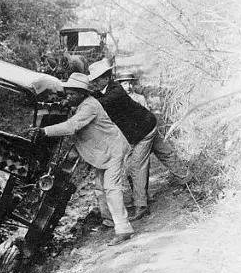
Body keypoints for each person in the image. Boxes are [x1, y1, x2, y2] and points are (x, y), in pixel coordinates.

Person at [30, 72, 134, 245]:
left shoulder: (90, 106)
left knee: (111, 188)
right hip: (103, 151)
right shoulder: (82, 104)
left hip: (113, 149)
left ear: (82, 93)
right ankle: (109, 220)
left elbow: (72, 126)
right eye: (68, 93)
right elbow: (72, 112)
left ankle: (124, 229)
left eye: (72, 94)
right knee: (101, 188)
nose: (68, 97)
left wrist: (44, 131)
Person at [87, 58, 190, 221]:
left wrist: (83, 102)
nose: (95, 83)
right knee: (165, 153)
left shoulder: (115, 91)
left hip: (143, 131)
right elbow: (96, 96)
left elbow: (100, 103)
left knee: (136, 166)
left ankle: (141, 205)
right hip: (147, 123)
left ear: (106, 77)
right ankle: (186, 178)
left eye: (97, 80)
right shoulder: (108, 89)